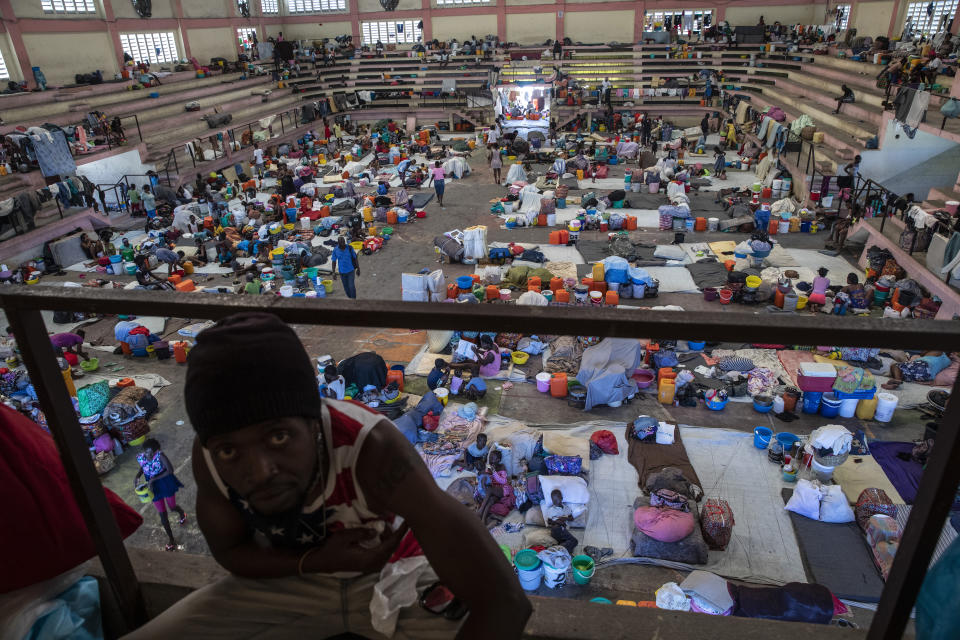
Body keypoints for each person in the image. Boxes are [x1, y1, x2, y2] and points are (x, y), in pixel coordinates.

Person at [127, 313, 530, 637]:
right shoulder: (211, 458)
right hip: (290, 578)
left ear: (315, 423)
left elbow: (505, 602)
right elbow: (230, 552)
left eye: (279, 436)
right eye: (231, 449)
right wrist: (315, 561)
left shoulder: (371, 448)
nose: (260, 471)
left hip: (394, 574)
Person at [134, 438, 187, 552]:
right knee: (162, 514)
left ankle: (181, 512)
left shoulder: (160, 456)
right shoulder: (142, 456)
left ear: (156, 451)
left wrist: (154, 479)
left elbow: (170, 470)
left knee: (172, 507)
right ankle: (171, 540)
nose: (148, 455)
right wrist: (138, 476)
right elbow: (144, 466)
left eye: (151, 452)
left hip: (165, 482)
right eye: (146, 452)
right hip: (153, 487)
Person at [476, 449, 515, 526]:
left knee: (490, 490)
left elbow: (503, 481)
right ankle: (483, 519)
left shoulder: (501, 467)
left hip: (502, 489)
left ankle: (480, 511)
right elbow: (485, 479)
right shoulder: (488, 468)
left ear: (498, 460)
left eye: (493, 458)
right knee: (491, 500)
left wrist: (494, 472)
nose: (490, 460)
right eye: (490, 457)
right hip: (492, 490)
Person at [886, 351, 953, 388]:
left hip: (924, 365)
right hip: (928, 376)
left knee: (895, 366)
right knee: (905, 372)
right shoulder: (949, 361)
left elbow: (922, 353)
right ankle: (900, 378)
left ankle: (897, 380)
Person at [544, 489, 577, 554]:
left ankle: (556, 549)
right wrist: (557, 521)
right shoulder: (551, 510)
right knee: (574, 541)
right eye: (553, 500)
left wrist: (564, 518)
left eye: (556, 499)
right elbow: (549, 522)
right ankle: (557, 549)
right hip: (556, 529)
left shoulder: (566, 508)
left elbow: (571, 518)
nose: (554, 502)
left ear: (561, 498)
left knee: (572, 544)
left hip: (564, 531)